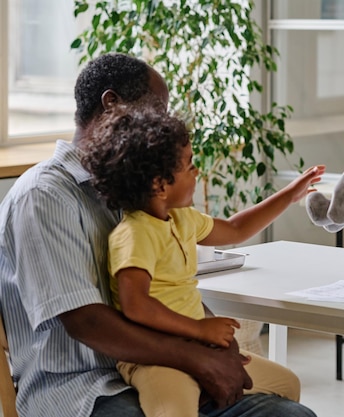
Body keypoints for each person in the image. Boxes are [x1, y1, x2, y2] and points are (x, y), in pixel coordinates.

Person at [0, 52, 318, 417]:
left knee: (292, 415)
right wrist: (196, 354)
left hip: (174, 363)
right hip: (84, 388)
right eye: (157, 109)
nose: (160, 123)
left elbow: (175, 288)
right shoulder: (45, 196)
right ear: (111, 103)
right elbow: (87, 322)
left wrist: (215, 347)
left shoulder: (141, 193)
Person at [80, 103, 325, 417]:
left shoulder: (182, 219)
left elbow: (236, 228)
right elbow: (136, 305)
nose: (197, 171)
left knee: (286, 383)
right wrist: (200, 329)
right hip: (156, 360)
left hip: (199, 348)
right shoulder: (134, 233)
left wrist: (289, 195)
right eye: (189, 165)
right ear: (160, 184)